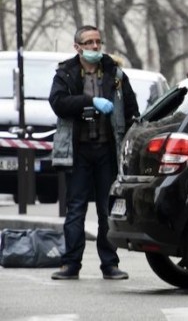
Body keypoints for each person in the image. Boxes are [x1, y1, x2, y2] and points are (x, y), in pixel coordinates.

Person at [48, 25, 139, 280]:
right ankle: (71, 264)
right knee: (75, 208)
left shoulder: (115, 73)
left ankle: (110, 264)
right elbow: (57, 103)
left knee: (105, 209)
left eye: (98, 41)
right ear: (78, 47)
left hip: (107, 151)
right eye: (88, 42)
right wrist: (90, 102)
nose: (95, 47)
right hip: (77, 151)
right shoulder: (65, 73)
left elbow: (132, 109)